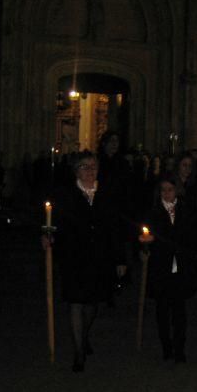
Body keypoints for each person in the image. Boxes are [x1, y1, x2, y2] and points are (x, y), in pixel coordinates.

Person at [46, 151, 127, 372]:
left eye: (93, 166)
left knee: (92, 303)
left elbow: (115, 228)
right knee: (75, 301)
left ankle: (84, 334)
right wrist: (49, 236)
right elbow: (55, 223)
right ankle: (78, 352)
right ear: (76, 170)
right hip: (74, 255)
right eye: (84, 166)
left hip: (100, 256)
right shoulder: (66, 195)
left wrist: (120, 258)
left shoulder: (107, 194)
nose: (90, 170)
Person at [139, 175, 197, 363]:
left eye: (170, 189)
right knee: (162, 308)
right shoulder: (153, 212)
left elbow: (194, 235)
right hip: (161, 266)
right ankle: (166, 345)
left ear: (177, 190)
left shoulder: (186, 210)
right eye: (163, 190)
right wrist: (144, 246)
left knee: (179, 308)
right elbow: (145, 235)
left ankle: (179, 346)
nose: (167, 193)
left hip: (181, 266)